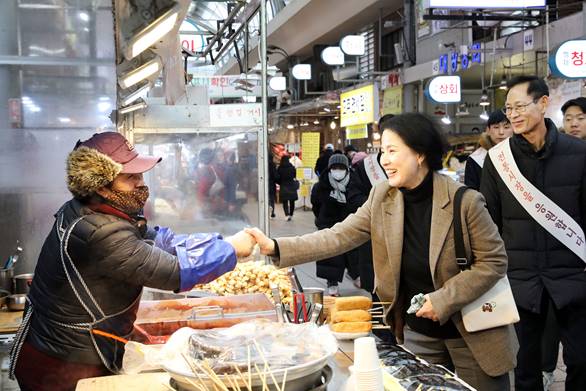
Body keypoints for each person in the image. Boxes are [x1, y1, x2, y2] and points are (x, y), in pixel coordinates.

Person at [247, 113, 518, 390]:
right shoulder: (382, 197)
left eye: (392, 151)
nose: (384, 160)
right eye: (382, 151)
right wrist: (276, 246)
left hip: (473, 331)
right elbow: (339, 236)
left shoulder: (465, 202)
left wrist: (443, 300)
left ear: (420, 153)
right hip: (418, 332)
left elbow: (493, 261)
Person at [11, 132, 256, 391]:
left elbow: (162, 242)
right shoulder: (98, 230)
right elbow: (174, 273)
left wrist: (222, 241)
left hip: (80, 348)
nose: (141, 184)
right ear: (101, 185)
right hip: (61, 365)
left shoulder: (101, 211)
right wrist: (230, 250)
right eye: (130, 177)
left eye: (140, 175)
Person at [480, 76, 586, 391]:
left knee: (581, 360)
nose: (512, 114)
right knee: (525, 365)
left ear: (542, 104)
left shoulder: (578, 153)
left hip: (573, 277)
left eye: (519, 106)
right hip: (521, 279)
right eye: (508, 108)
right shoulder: (498, 160)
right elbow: (489, 222)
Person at [311, 154, 358, 296]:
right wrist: (321, 220)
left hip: (349, 223)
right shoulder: (321, 186)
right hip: (328, 223)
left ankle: (355, 273)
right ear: (330, 169)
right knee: (330, 254)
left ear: (347, 169)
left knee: (354, 251)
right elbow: (316, 205)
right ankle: (332, 283)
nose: (338, 170)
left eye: (341, 168)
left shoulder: (355, 183)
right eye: (335, 168)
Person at [464, 110, 513, 190]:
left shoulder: (521, 154)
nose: (501, 132)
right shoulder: (476, 159)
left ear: (514, 129)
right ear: (488, 130)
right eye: (496, 127)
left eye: (506, 127)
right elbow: (471, 193)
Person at [276, 155, 298, 221]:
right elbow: (295, 175)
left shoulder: (280, 168)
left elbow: (277, 177)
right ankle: (291, 214)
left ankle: (286, 214)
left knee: (285, 202)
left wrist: (280, 183)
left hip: (283, 186)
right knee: (292, 201)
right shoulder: (292, 167)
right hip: (291, 185)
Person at [268, 152, 277, 218]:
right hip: (272, 184)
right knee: (272, 199)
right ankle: (272, 213)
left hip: (266, 184)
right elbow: (275, 176)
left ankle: (267, 211)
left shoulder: (264, 164)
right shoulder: (273, 165)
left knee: (267, 198)